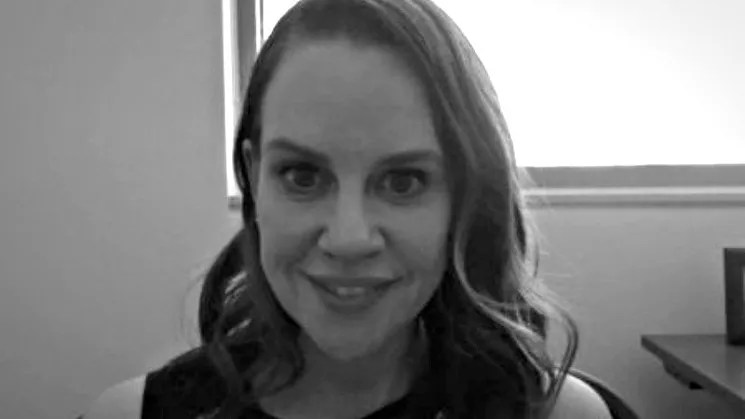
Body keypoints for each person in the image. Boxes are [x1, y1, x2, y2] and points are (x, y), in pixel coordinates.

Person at [83, 0, 612, 418]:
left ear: (463, 199)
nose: (348, 239)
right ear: (254, 176)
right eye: (303, 176)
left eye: (403, 181)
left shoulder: (559, 414)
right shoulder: (129, 415)